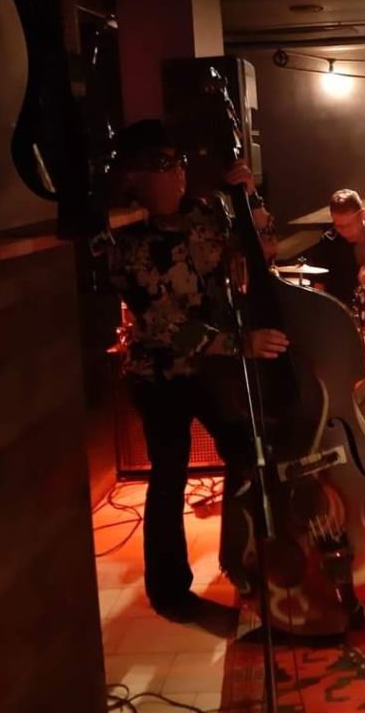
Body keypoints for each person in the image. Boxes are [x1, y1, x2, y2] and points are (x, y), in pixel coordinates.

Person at [108, 119, 288, 621]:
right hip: (159, 374)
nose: (178, 174)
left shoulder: (206, 212)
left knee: (246, 455)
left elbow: (265, 251)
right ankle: (169, 591)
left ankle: (244, 558)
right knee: (169, 476)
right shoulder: (127, 241)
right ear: (133, 176)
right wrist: (239, 343)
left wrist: (250, 199)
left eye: (179, 162)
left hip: (213, 369)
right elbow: (162, 323)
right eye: (163, 165)